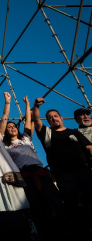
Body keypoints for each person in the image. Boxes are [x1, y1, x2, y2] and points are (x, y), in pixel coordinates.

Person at [3, 96, 62, 239]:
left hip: (39, 172)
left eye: (13, 126)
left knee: (50, 202)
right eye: (9, 127)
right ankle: (43, 233)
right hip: (25, 175)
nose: (12, 128)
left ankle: (58, 231)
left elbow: (29, 121)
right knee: (35, 205)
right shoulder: (5, 147)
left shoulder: (25, 138)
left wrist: (28, 104)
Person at [33, 98, 92, 239]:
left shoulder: (74, 132)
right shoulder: (47, 134)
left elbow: (89, 147)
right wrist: (36, 106)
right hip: (64, 175)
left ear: (61, 118)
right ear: (48, 121)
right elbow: (36, 121)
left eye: (55, 116)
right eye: (50, 118)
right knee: (72, 204)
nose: (53, 119)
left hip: (83, 171)